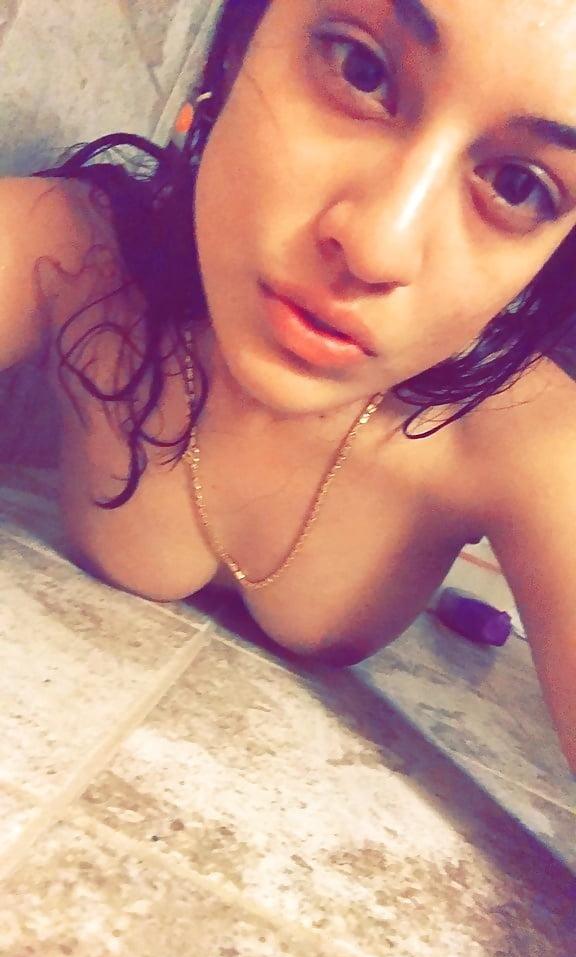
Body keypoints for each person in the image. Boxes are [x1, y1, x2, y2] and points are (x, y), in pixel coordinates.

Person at [1, 0, 575, 770]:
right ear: (239, 42)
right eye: (361, 69)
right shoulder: (78, 258)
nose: (377, 246)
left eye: (518, 185)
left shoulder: (521, 435)